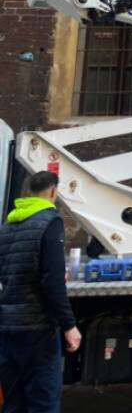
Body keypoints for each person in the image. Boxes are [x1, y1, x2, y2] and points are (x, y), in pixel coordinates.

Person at [0, 171, 81, 413]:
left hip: (8, 326)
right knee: (43, 402)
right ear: (53, 192)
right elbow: (52, 281)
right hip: (38, 328)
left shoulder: (9, 223)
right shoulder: (50, 221)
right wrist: (69, 325)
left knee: (14, 402)